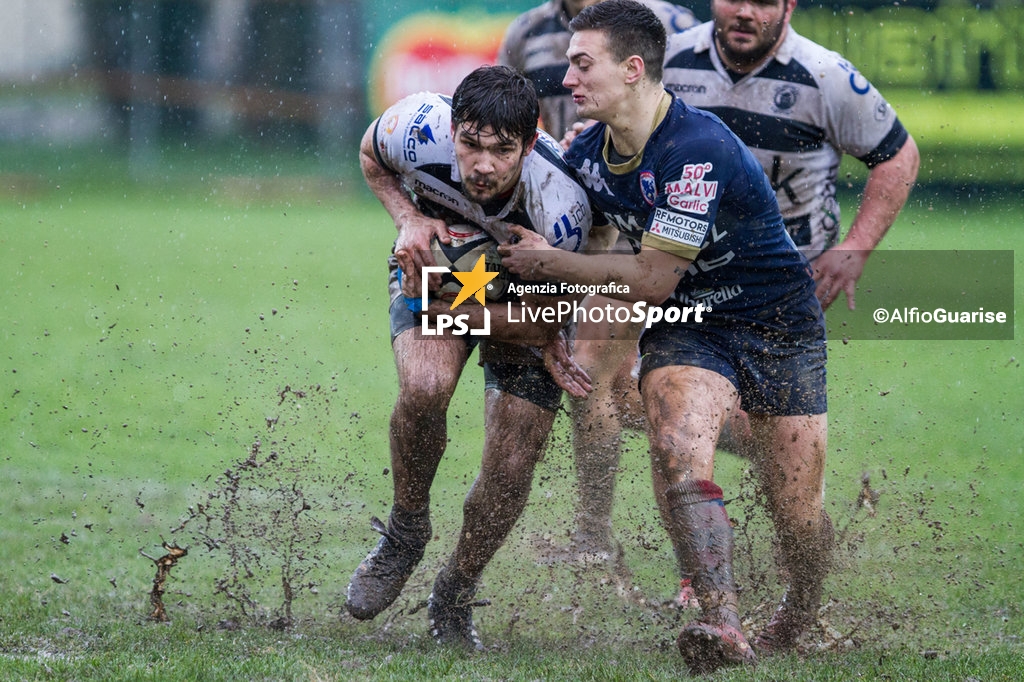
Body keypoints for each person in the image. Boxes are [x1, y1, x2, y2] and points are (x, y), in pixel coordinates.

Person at [499, 0, 831, 672]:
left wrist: (548, 263)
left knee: (797, 512)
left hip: (778, 322)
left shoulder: (695, 149)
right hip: (691, 323)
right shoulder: (588, 153)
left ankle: (802, 614)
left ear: (632, 69)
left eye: (581, 64)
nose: (567, 80)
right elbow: (578, 241)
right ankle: (722, 623)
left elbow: (650, 276)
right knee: (675, 442)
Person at [344, 64, 592, 651]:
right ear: (451, 129)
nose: (482, 166)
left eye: (502, 151)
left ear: (529, 145)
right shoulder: (416, 125)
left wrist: (454, 315)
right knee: (425, 387)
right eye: (470, 145)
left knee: (511, 466)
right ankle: (405, 532)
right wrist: (408, 217)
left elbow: (541, 324)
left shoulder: (562, 206)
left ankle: (456, 586)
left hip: (525, 300)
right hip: (436, 271)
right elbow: (369, 154)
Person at [498, 0, 697, 566]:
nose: (569, 79)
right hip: (577, 221)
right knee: (610, 383)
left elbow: (694, 128)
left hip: (657, 221)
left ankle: (592, 536)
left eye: (583, 65)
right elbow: (507, 117)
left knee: (613, 372)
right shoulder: (526, 32)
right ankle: (762, 440)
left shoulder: (669, 26)